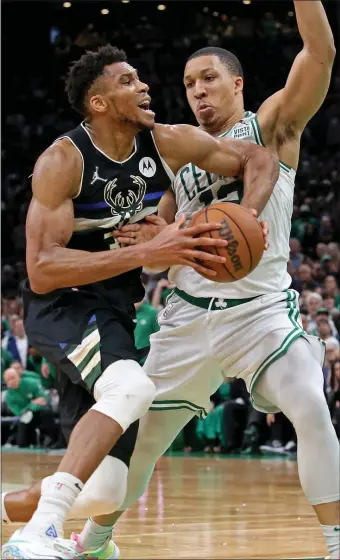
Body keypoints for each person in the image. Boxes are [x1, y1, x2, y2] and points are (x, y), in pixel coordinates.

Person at [48, 1, 338, 557]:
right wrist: (152, 244)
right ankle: (95, 541)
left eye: (209, 79)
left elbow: (319, 53)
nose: (198, 91)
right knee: (139, 441)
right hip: (186, 320)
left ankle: (336, 541)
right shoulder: (176, 165)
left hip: (261, 314)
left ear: (237, 83)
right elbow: (156, 261)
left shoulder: (271, 126)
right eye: (188, 84)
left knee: (307, 400)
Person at [1, 44, 278, 559]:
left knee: (106, 489)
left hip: (113, 310)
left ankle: (17, 511)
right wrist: (153, 248)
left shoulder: (166, 142)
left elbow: (259, 157)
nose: (144, 85)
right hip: (62, 304)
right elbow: (41, 270)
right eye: (127, 81)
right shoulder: (64, 160)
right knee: (133, 386)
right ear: (100, 103)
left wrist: (249, 212)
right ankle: (37, 535)